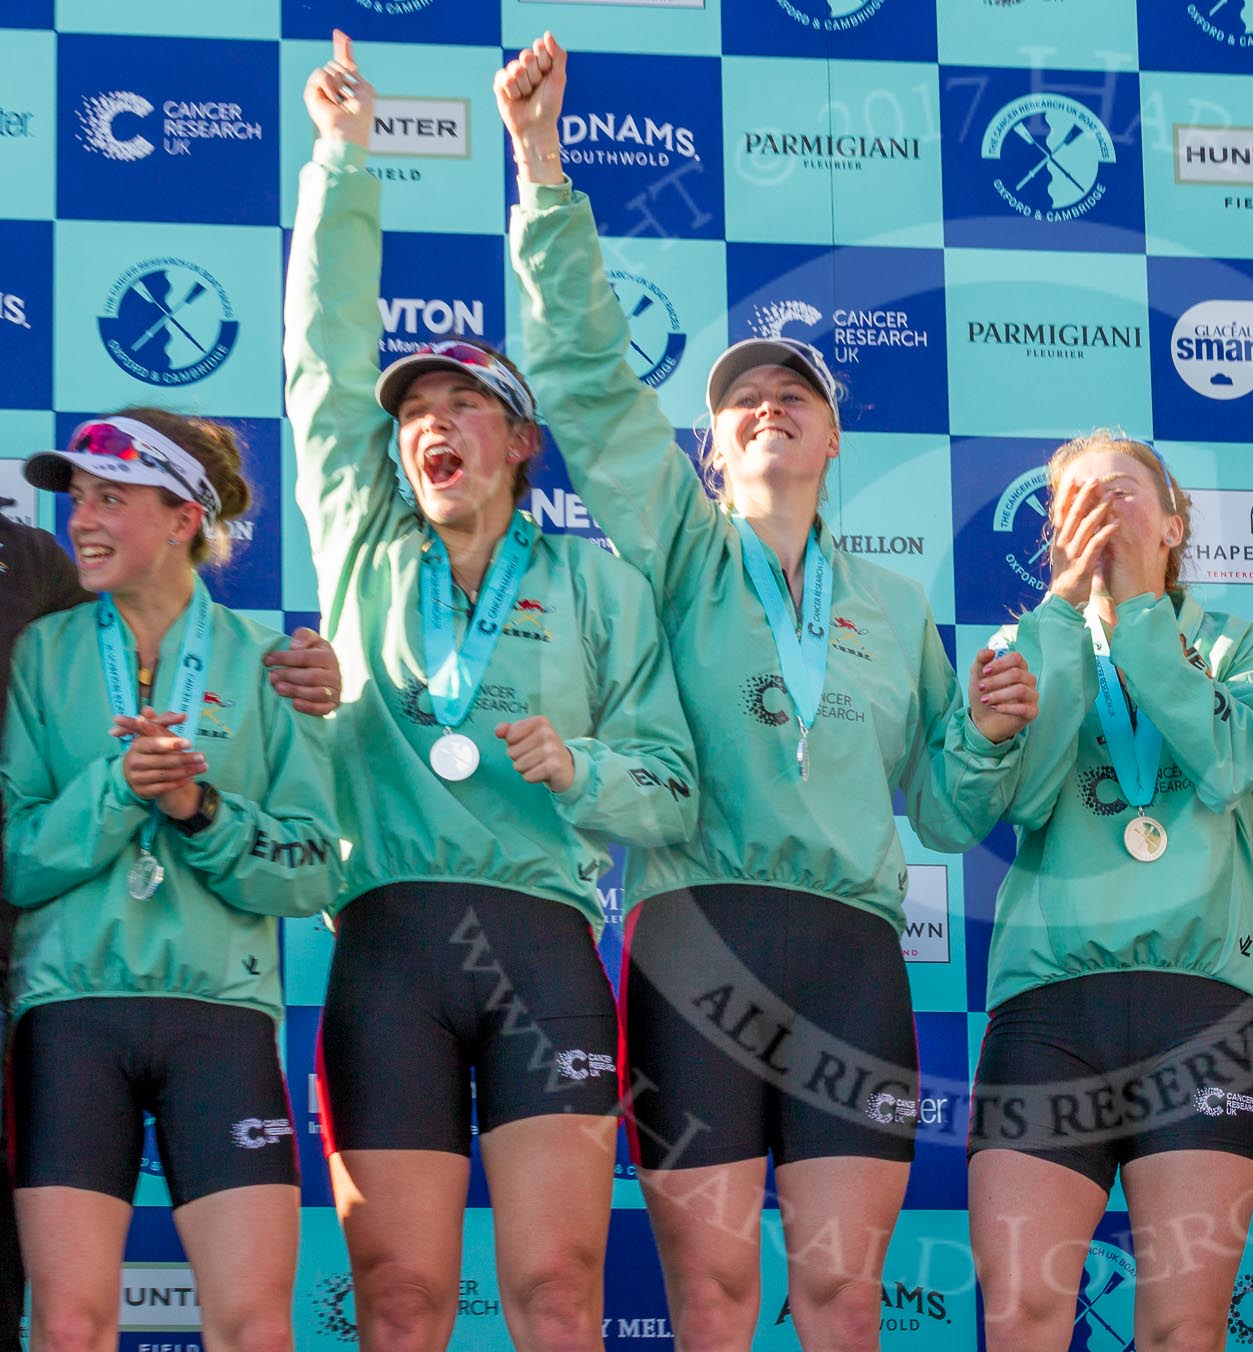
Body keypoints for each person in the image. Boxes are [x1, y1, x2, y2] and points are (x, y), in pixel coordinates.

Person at [498, 34, 1037, 1350]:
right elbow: (587, 381)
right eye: (742, 399)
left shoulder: (895, 604)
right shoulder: (682, 551)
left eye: (796, 393)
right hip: (699, 935)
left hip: (854, 953)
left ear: (836, 436)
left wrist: (986, 734)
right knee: (717, 1297)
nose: (769, 406)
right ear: (710, 445)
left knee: (845, 1297)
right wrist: (539, 165)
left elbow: (948, 810)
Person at [288, 33, 701, 1352]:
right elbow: (323, 361)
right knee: (402, 1303)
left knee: (559, 1295)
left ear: (522, 442)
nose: (433, 423)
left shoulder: (599, 586)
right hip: (388, 942)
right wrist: (341, 161)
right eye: (417, 409)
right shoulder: (363, 542)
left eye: (466, 405)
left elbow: (673, 789)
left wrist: (584, 768)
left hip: (542, 946)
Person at [2, 411, 341, 1352]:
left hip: (221, 1020)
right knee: (68, 1327)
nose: (81, 520)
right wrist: (118, 789)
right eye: (78, 499)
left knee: (255, 1327)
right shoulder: (43, 654)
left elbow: (313, 871)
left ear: (184, 516)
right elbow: (15, 859)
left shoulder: (273, 664)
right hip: (69, 1015)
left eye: (110, 498)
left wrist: (200, 810)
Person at [961, 432, 1253, 1351]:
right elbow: (995, 805)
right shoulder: (1025, 643)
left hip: (1201, 1012)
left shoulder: (1249, 643)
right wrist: (1060, 626)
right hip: (1049, 1011)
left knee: (1184, 1329)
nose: (1099, 508)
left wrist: (1142, 613)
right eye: (1076, 497)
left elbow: (1229, 763)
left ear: (1175, 524)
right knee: (1022, 1315)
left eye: (1121, 490)